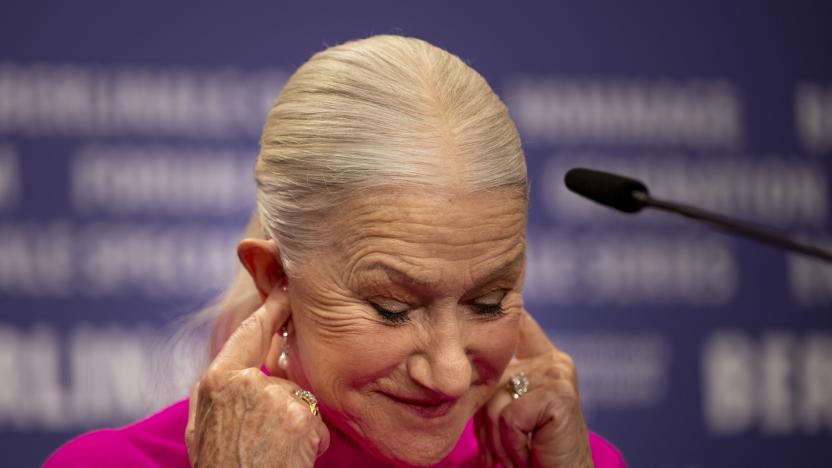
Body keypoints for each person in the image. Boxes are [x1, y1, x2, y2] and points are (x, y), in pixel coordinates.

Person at [45, 35, 626, 467]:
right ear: (275, 277)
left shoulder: (567, 459)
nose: (449, 375)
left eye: (489, 301)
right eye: (393, 308)